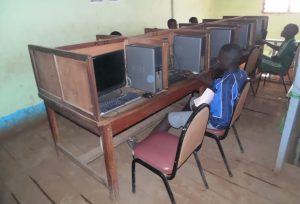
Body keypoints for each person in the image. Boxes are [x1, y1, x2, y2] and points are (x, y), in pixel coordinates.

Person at [150, 44, 248, 134]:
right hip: (227, 110)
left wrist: (200, 111)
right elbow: (217, 85)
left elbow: (222, 118)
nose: (218, 60)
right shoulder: (240, 73)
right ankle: (186, 123)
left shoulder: (226, 86)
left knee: (168, 117)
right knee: (192, 101)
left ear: (228, 60)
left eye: (220, 58)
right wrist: (196, 76)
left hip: (216, 122)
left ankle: (149, 143)